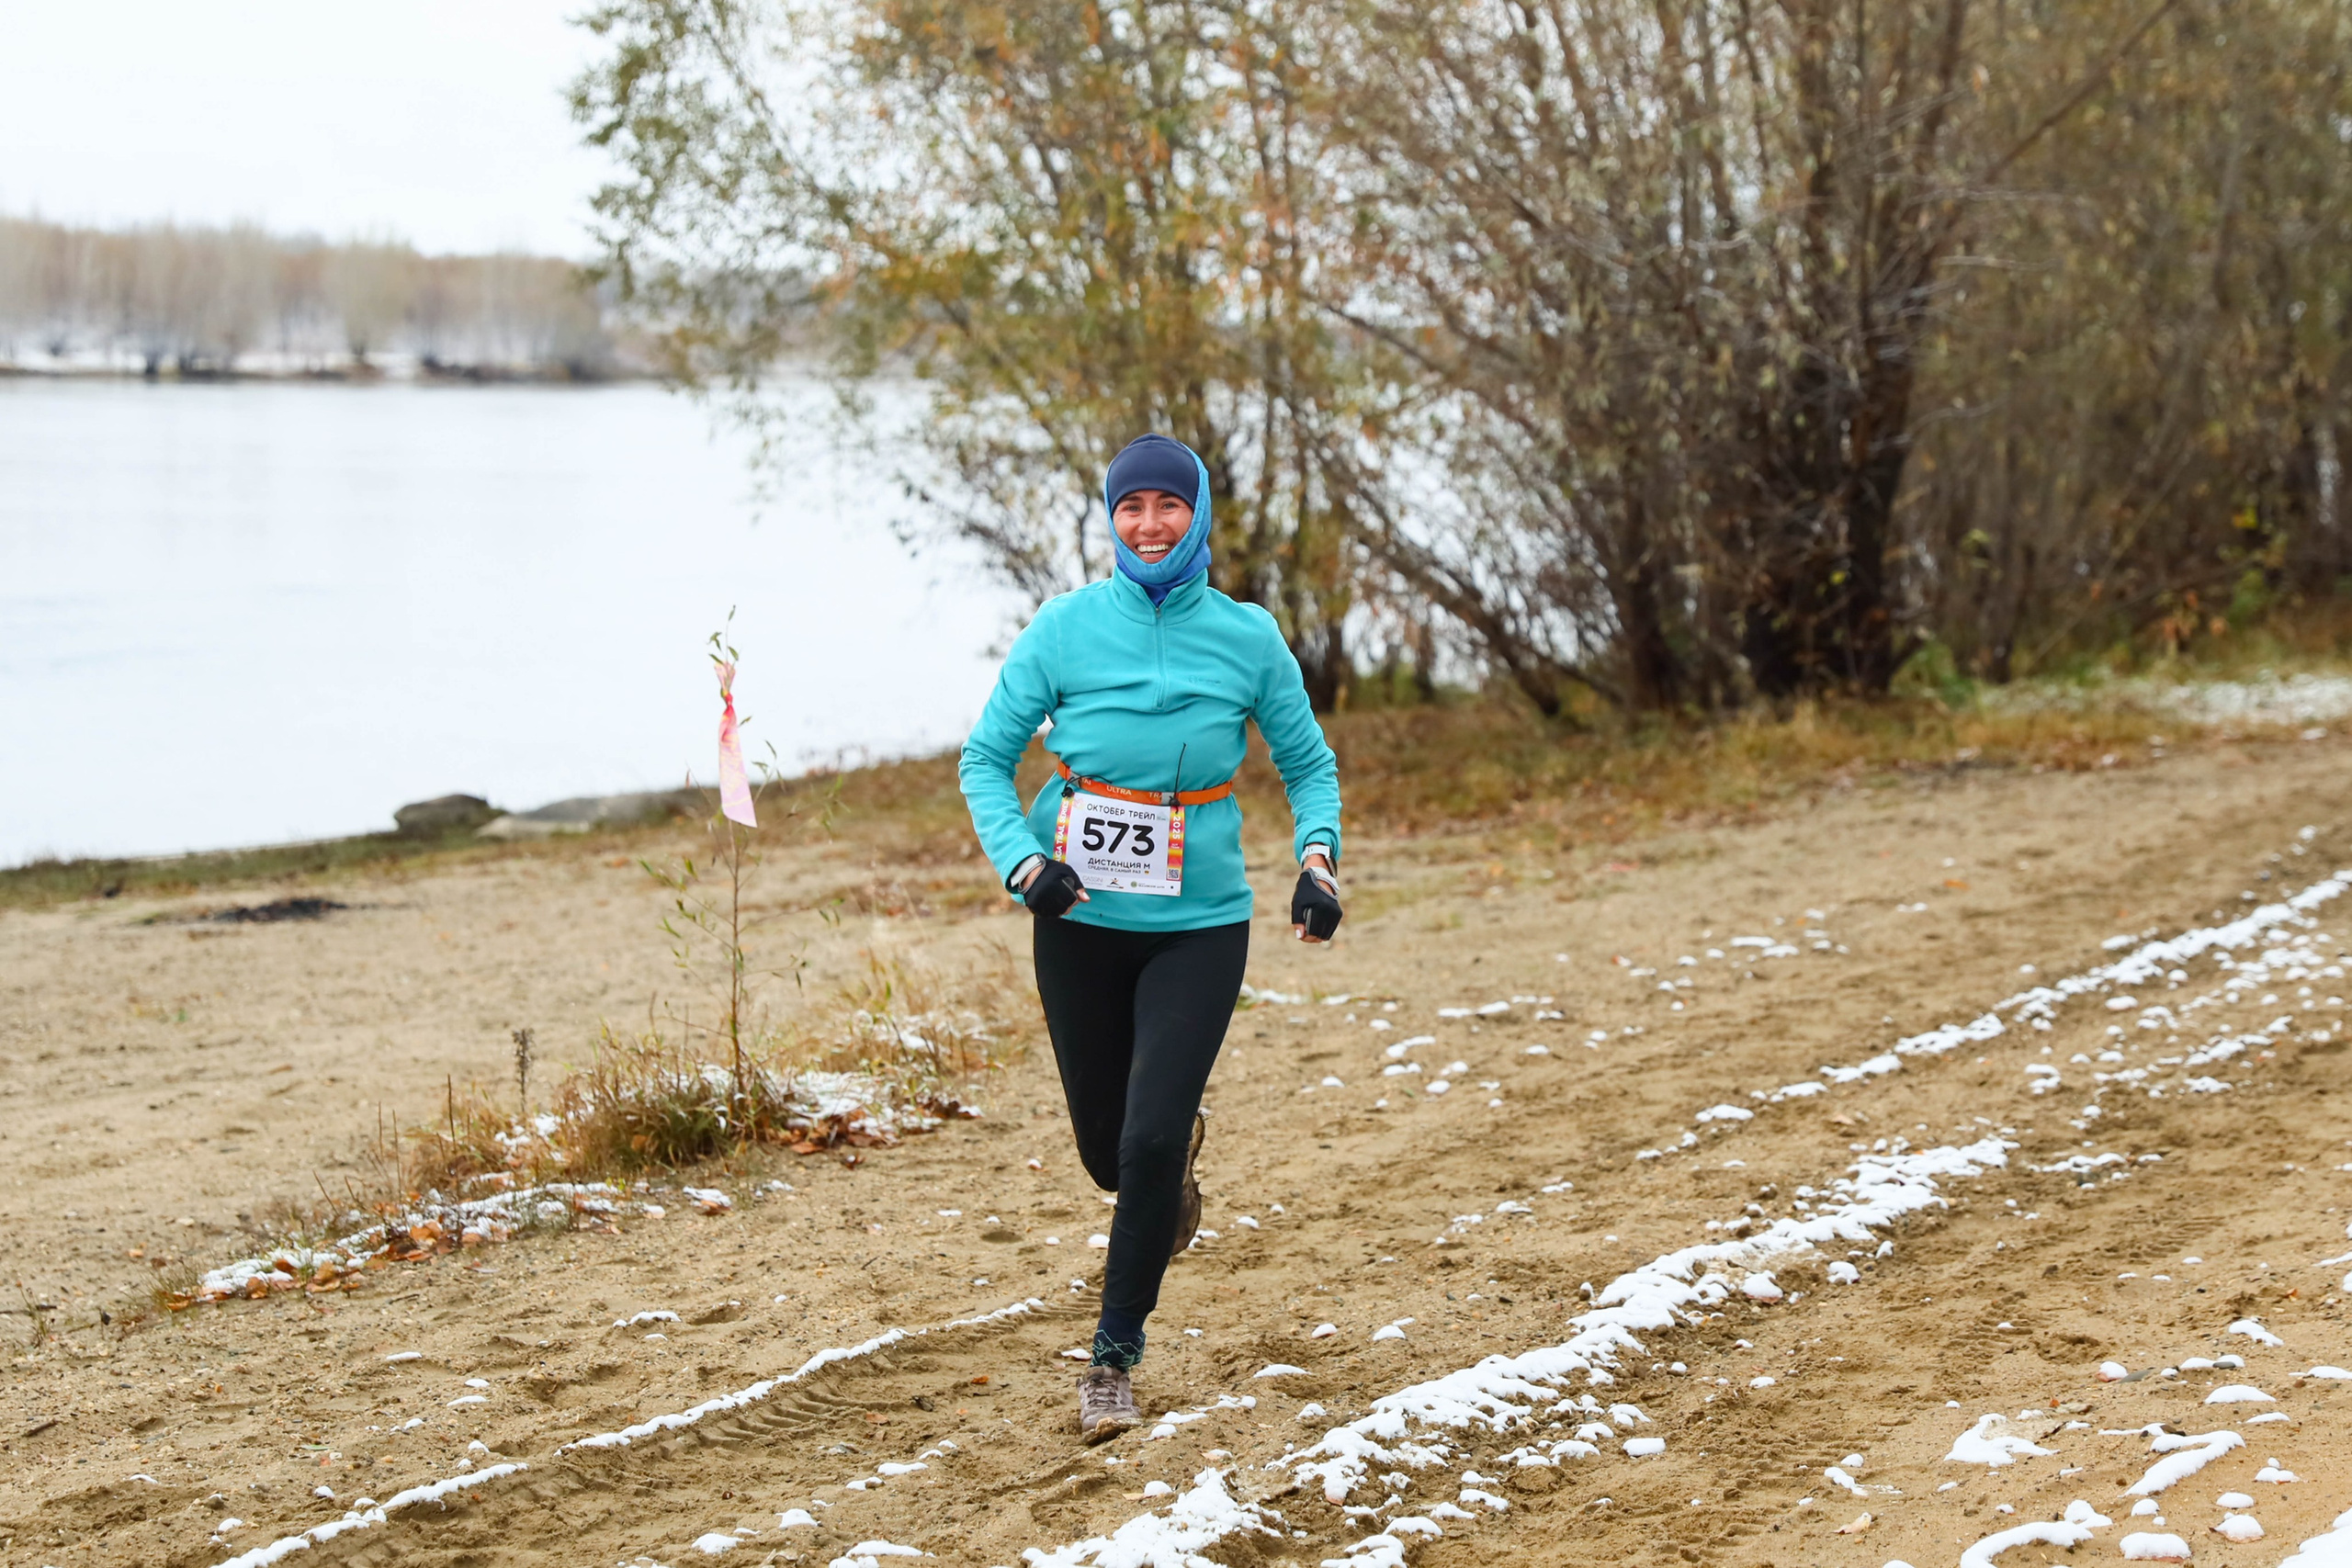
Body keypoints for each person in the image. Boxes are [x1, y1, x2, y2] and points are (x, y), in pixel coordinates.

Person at [958, 433, 1344, 1442]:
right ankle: (1164, 1182)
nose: (1149, 524)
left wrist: (1315, 860)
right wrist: (1023, 862)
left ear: (1198, 514)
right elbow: (983, 760)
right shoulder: (1064, 629)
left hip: (1200, 924)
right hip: (1077, 916)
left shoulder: (1249, 636)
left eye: (1168, 505)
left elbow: (1308, 764)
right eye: (1130, 507)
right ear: (1111, 518)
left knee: (1148, 1133)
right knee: (1109, 1157)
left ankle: (1110, 1364)